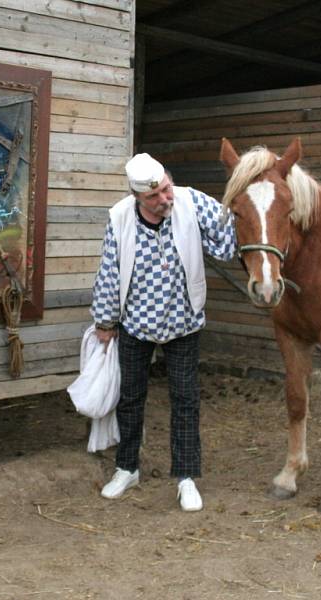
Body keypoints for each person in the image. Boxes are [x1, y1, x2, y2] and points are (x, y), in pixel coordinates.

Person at [91, 152, 236, 511]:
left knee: (185, 400)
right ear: (138, 198)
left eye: (167, 190)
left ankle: (186, 477)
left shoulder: (191, 201)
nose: (165, 199)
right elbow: (110, 271)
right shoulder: (120, 217)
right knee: (130, 398)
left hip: (184, 322)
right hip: (136, 324)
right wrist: (105, 322)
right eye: (155, 197)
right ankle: (127, 468)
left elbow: (228, 234)